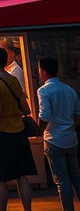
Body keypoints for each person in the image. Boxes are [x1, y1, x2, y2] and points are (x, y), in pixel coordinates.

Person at [0, 44, 36, 211]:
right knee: (22, 176)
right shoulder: (13, 79)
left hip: (3, 135)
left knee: (0, 178)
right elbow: (26, 109)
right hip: (19, 133)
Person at [37, 57, 80, 211]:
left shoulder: (43, 91)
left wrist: (38, 132)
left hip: (54, 140)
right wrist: (69, 128)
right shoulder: (69, 90)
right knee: (76, 176)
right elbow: (77, 115)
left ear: (43, 71)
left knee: (62, 180)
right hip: (71, 139)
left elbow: (45, 115)